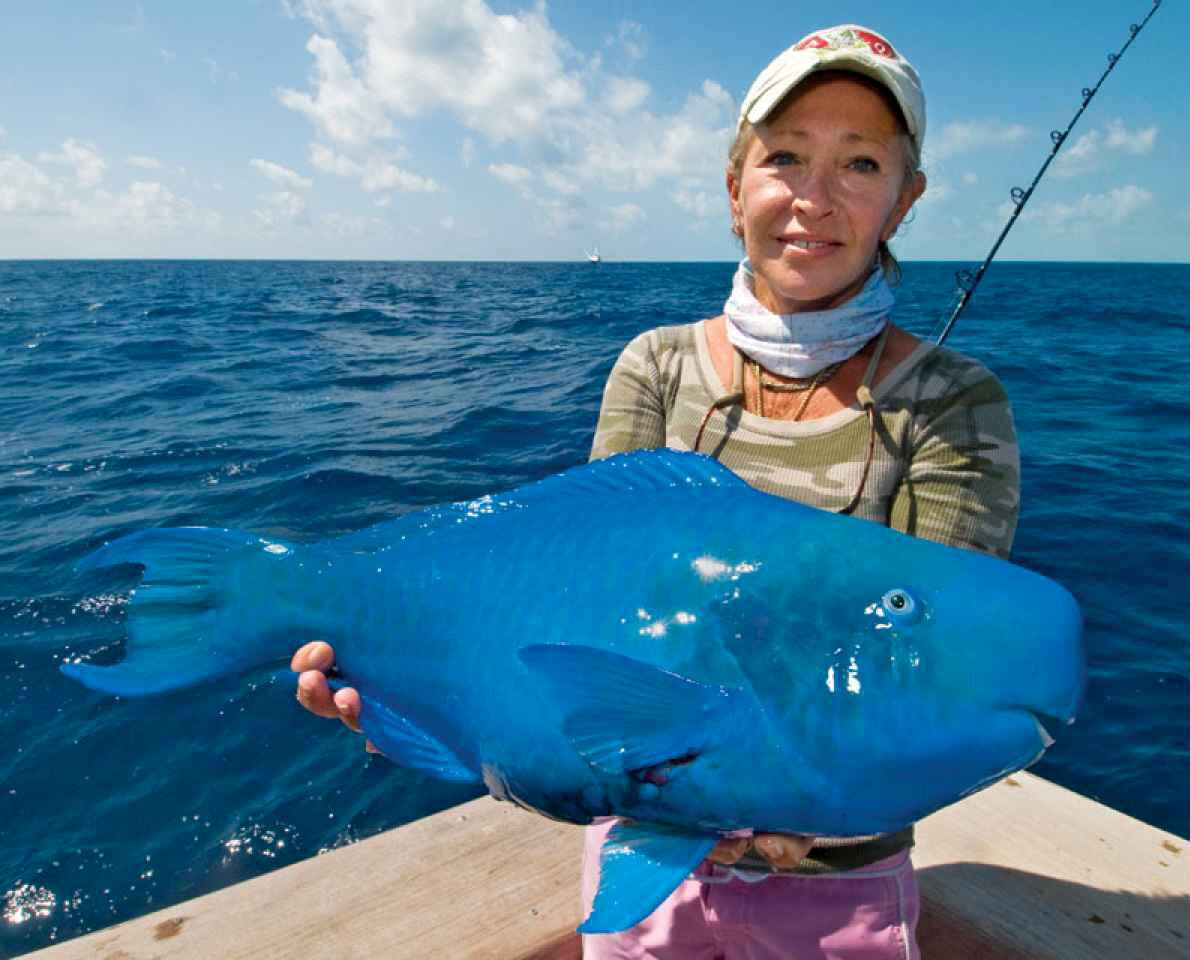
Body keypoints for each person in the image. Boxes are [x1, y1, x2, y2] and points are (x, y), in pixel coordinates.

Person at [293, 24, 1019, 959]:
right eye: (785, 157)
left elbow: (941, 669)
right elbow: (574, 600)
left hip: (840, 885)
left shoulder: (955, 401)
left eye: (861, 163)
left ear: (903, 198)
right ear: (734, 189)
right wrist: (409, 690)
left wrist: (793, 804)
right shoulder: (656, 367)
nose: (813, 198)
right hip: (645, 853)